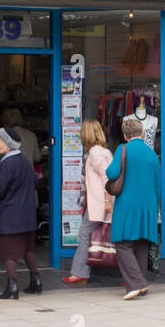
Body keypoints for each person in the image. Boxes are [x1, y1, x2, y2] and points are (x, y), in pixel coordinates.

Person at [106, 116, 160, 300]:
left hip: (128, 204)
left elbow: (111, 172)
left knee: (122, 243)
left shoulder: (123, 149)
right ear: (142, 133)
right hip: (149, 205)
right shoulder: (152, 153)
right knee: (142, 243)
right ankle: (141, 283)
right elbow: (158, 184)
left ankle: (137, 283)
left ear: (124, 135)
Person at [0, 128, 41, 299]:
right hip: (27, 215)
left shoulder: (6, 164)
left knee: (8, 253)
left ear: (9, 144)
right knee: (28, 250)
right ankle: (36, 281)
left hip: (9, 216)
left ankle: (12, 285)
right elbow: (34, 183)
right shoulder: (25, 162)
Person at [63, 119, 113, 285]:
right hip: (96, 202)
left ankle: (80, 273)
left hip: (98, 202)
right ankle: (80, 272)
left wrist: (107, 200)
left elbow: (107, 177)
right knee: (88, 234)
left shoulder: (94, 153)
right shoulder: (103, 151)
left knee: (84, 234)